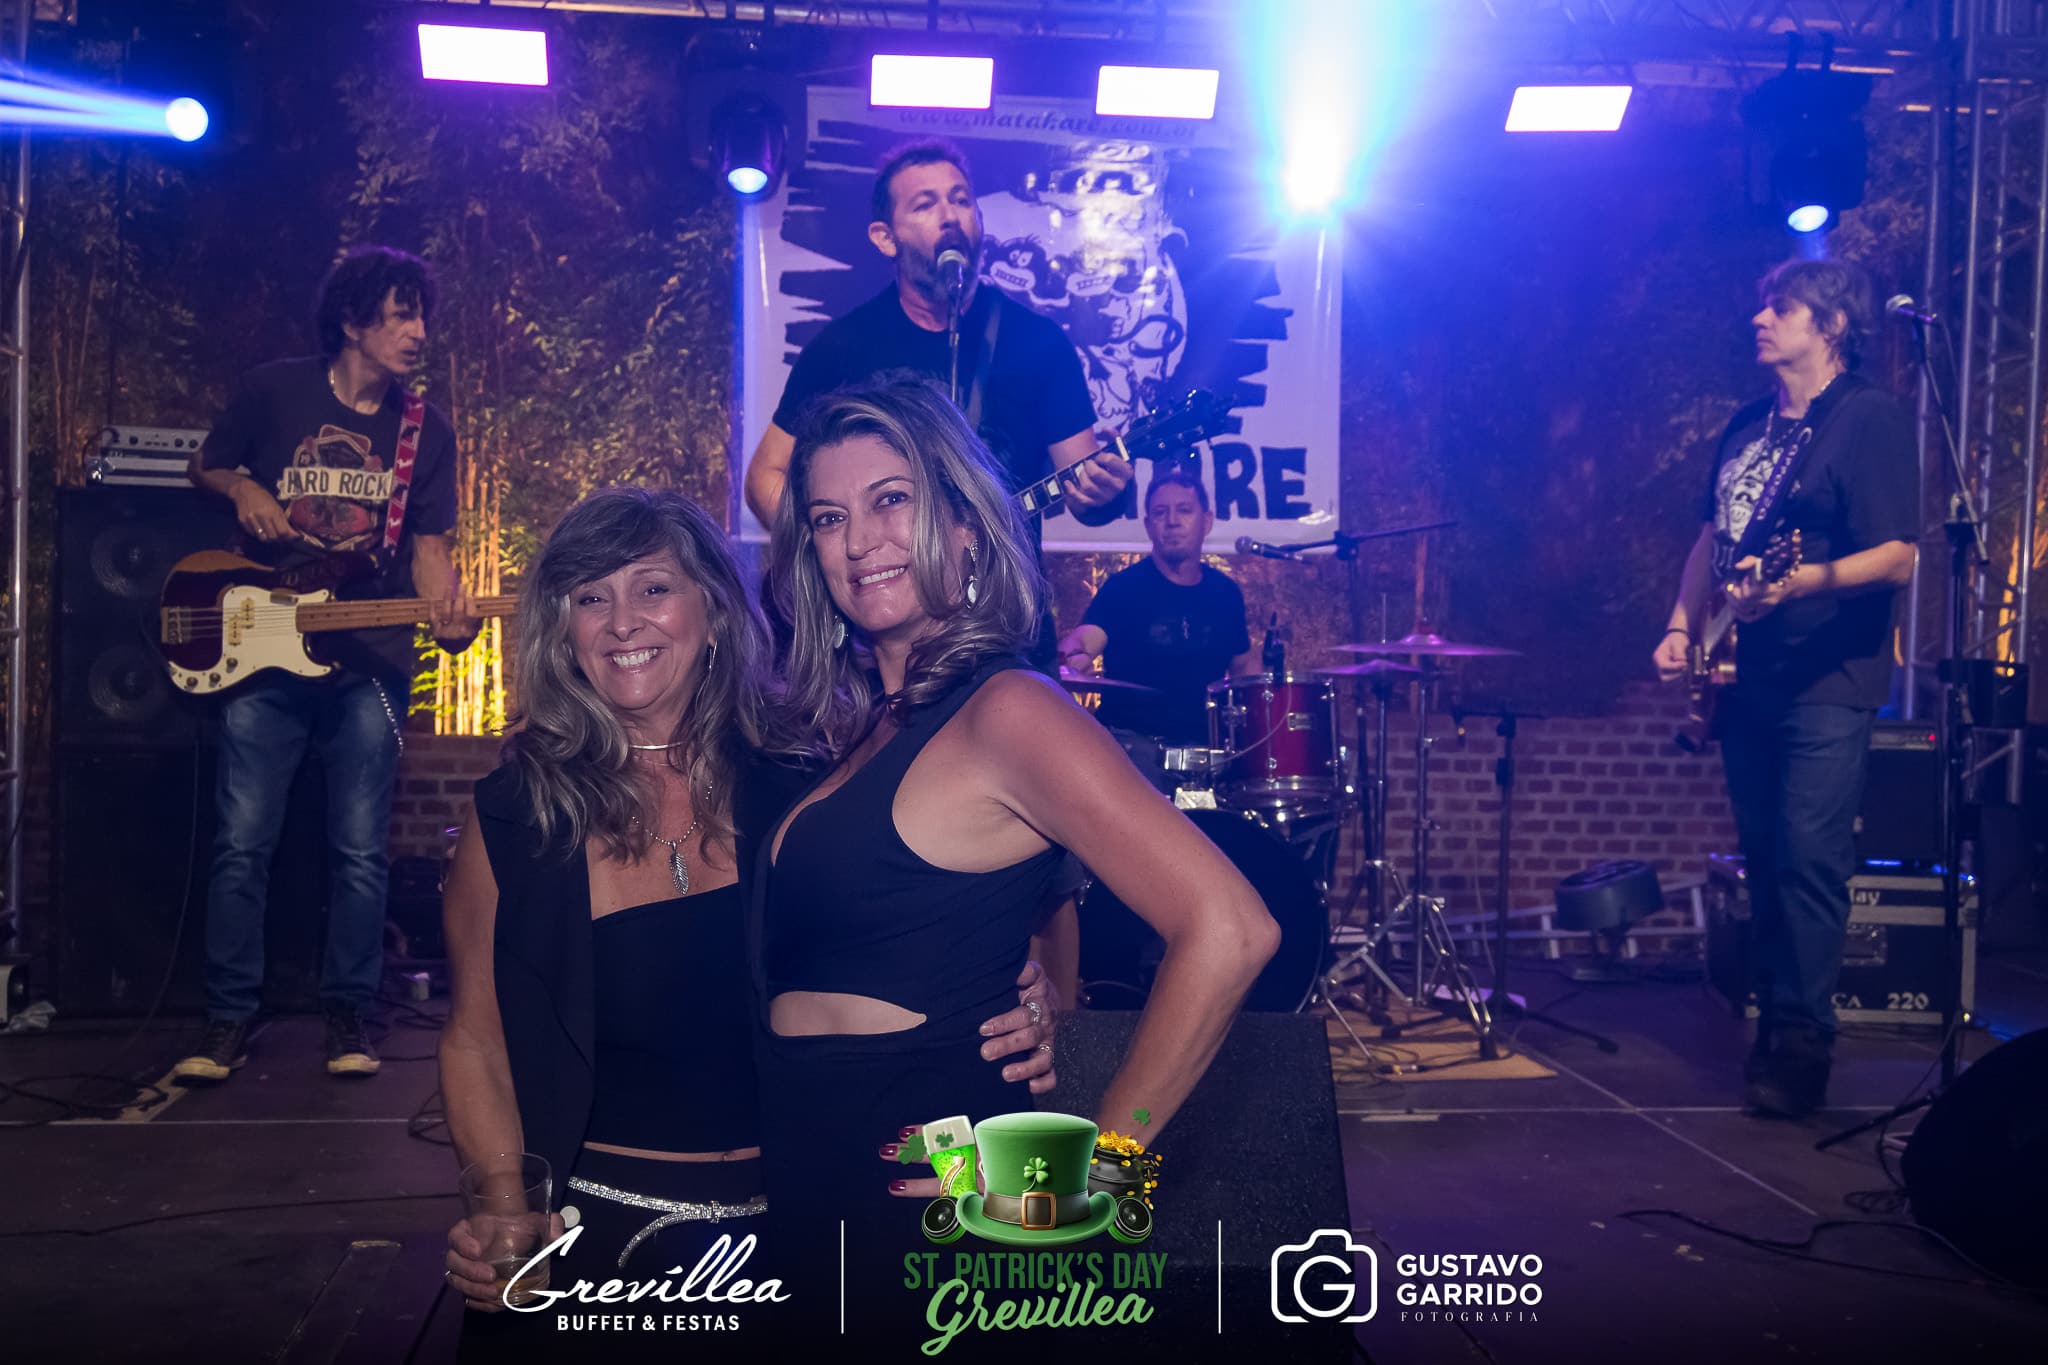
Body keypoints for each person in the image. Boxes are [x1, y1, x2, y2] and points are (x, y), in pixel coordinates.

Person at [436, 488, 1052, 1354]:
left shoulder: (807, 786)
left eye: (653, 587)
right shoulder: (517, 815)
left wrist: (1025, 993)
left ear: (715, 614)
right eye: (590, 597)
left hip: (808, 1232)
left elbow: (936, 921)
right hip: (597, 1249)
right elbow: (475, 1038)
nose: (622, 621)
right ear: (562, 632)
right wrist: (507, 1209)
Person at [756, 373, 1279, 1344]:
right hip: (807, 1169)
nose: (859, 539)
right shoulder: (864, 726)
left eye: (891, 499)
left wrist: (1096, 1175)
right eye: (829, 517)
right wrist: (1024, 976)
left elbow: (1230, 928)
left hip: (924, 1195)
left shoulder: (1010, 709)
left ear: (964, 527)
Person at [175, 246, 478, 1084]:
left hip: (369, 659)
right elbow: (205, 463)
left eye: (422, 314)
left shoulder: (426, 432)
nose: (419, 331)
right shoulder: (274, 391)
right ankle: (227, 1018)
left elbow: (429, 550)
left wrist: (451, 621)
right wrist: (244, 490)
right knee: (242, 841)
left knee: (359, 849)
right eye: (400, 314)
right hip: (264, 647)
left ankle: (350, 1012)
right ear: (352, 321)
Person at [1653, 257, 1917, 1118]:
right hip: (1748, 673)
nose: (1760, 319)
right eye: (1763, 306)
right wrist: (1682, 624)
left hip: (1829, 674)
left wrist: (1805, 583)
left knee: (1809, 860)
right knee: (1765, 861)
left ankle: (1802, 1049)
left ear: (1831, 325)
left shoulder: (1868, 419)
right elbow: (1713, 539)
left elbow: (1899, 555)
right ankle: (1772, 1024)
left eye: (1782, 307)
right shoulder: (1747, 425)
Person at [741, 136, 1134, 647]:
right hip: (879, 640)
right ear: (886, 238)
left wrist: (1106, 490)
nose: (949, 216)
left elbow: (1084, 488)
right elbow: (765, 476)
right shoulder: (843, 347)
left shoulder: (1038, 343)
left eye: (961, 200)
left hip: (1006, 624)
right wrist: (829, 547)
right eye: (925, 205)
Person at [1057, 467, 1257, 775]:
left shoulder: (1224, 592)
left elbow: (1245, 668)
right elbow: (1082, 639)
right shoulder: (1124, 588)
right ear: (1149, 525)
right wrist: (1074, 655)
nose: (1172, 521)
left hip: (1206, 752)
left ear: (1206, 521)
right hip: (1131, 751)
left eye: (1184, 510)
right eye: (1161, 513)